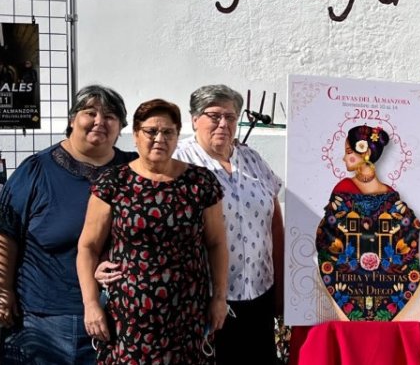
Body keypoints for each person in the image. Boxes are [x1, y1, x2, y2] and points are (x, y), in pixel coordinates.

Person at [0, 85, 135, 365]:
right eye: (90, 113)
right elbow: (2, 233)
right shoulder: (35, 170)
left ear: (121, 127)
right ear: (72, 120)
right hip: (42, 317)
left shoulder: (134, 171)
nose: (99, 122)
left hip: (119, 314)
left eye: (110, 116)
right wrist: (2, 291)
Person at [77, 98, 228, 363]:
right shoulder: (114, 183)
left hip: (187, 312)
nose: (160, 138)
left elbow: (216, 243)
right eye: (151, 131)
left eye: (168, 132)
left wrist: (219, 298)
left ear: (177, 135)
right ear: (135, 135)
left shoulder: (200, 182)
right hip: (128, 315)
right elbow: (88, 247)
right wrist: (91, 304)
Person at [172, 85, 284, 363]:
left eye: (231, 117)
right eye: (214, 116)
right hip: (206, 298)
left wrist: (282, 284)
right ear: (194, 119)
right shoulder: (179, 162)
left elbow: (274, 218)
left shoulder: (252, 159)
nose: (223, 124)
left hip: (259, 291)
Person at [315, 124, 420, 321]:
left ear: (363, 154)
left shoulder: (344, 189)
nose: (344, 157)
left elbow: (330, 230)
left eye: (348, 152)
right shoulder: (386, 193)